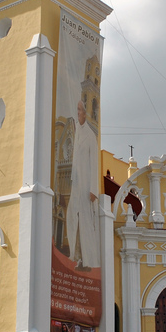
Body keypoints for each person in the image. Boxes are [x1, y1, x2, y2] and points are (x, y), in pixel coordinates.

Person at [66, 99, 100, 269]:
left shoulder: (90, 135)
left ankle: (88, 260)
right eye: (76, 109)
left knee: (86, 222)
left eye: (80, 109)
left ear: (85, 113)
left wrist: (93, 189)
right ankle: (75, 255)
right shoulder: (76, 132)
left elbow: (94, 163)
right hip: (76, 185)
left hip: (87, 186)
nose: (78, 112)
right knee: (72, 217)